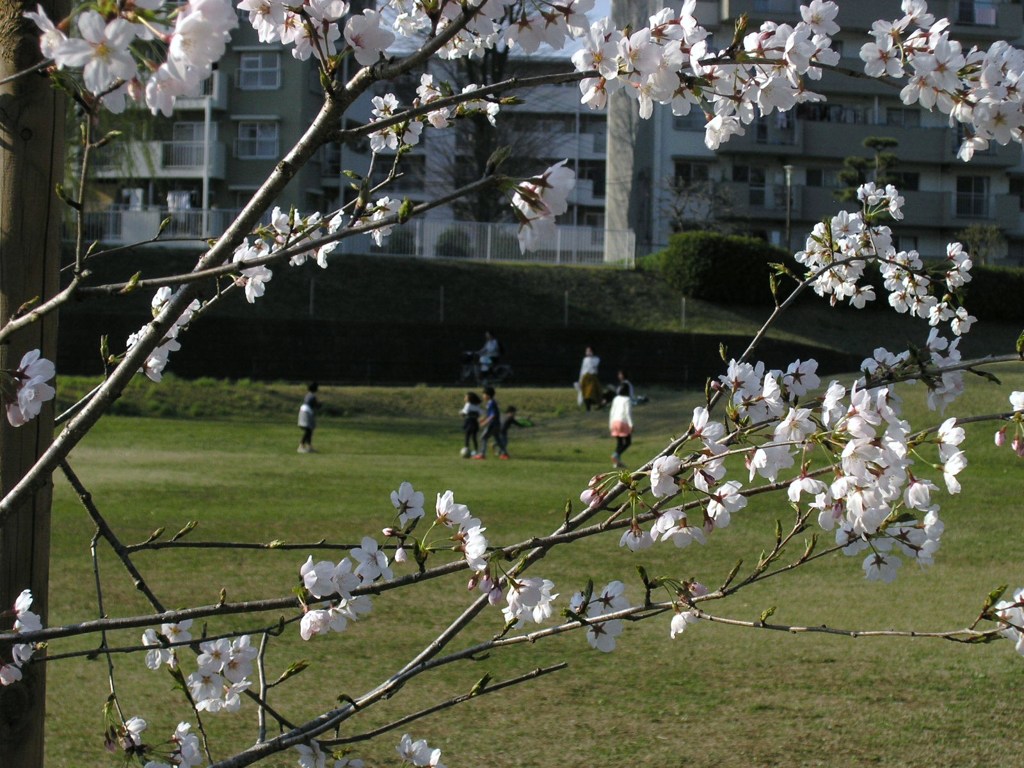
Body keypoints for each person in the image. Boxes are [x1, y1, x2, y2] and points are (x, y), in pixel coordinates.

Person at [609, 383, 633, 468]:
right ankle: (615, 455)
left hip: (614, 422)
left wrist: (610, 424)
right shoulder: (627, 399)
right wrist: (631, 424)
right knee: (628, 442)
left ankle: (616, 463)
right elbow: (627, 413)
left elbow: (612, 411)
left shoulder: (616, 399)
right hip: (623, 422)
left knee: (619, 443)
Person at [474, 386, 501, 459]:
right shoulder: (491, 403)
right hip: (496, 424)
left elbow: (492, 415)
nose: (483, 396)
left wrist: (485, 422)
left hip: (492, 424)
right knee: (498, 439)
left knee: (483, 438)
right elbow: (489, 414)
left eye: (484, 394)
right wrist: (481, 419)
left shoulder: (491, 403)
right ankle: (504, 453)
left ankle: (482, 454)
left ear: (488, 395)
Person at [297, 382, 320, 453]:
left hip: (303, 410)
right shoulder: (313, 396)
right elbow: (316, 405)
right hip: (307, 412)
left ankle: (309, 446)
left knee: (309, 430)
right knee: (308, 430)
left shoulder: (307, 395)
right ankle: (301, 445)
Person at [578, 346, 601, 411]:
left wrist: (590, 357)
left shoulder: (596, 359)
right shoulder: (585, 359)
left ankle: (594, 405)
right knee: (585, 393)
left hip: (592, 378)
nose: (587, 352)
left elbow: (594, 366)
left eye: (589, 351)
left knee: (591, 393)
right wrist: (580, 379)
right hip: (585, 378)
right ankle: (588, 408)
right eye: (587, 351)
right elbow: (582, 369)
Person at [460, 391, 482, 458]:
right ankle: (475, 451)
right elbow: (479, 413)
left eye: (466, 397)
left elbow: (463, 414)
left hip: (469, 422)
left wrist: (460, 412)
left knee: (467, 436)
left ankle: (466, 450)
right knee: (474, 437)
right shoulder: (477, 405)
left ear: (469, 398)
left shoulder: (468, 404)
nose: (465, 398)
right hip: (475, 422)